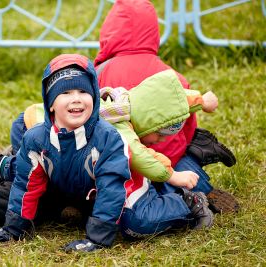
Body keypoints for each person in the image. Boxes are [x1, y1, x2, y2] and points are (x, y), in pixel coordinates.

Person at [0, 54, 215, 252]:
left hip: (125, 185)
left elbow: (112, 189)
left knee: (135, 225)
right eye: (65, 93)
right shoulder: (36, 138)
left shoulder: (108, 137)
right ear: (50, 103)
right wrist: (12, 229)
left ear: (95, 97)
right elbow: (26, 185)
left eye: (83, 92)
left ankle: (186, 202)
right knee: (30, 200)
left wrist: (97, 239)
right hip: (81, 189)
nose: (75, 99)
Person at [92, 0, 237, 212]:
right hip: (169, 161)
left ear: (108, 33)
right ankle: (202, 187)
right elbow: (185, 125)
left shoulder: (99, 73)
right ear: (154, 34)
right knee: (180, 172)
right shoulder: (171, 76)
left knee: (123, 192)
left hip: (122, 162)